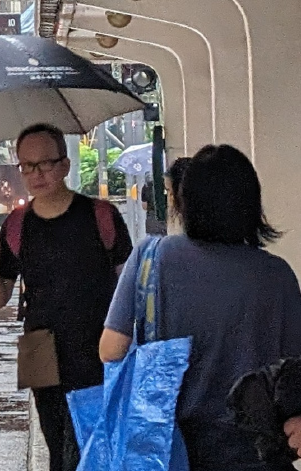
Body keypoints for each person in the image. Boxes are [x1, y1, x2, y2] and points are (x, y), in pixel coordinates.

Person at [100, 144, 301, 471]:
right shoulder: (277, 276)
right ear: (251, 205)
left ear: (185, 202)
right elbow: (293, 371)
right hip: (258, 453)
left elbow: (111, 350)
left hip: (172, 450)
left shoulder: (152, 258)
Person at [0, 124, 133, 471]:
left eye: (45, 163)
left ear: (65, 165)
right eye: (27, 166)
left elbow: (128, 289)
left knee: (96, 446)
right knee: (57, 447)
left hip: (98, 350)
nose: (36, 174)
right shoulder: (16, 225)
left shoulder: (101, 216)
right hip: (41, 351)